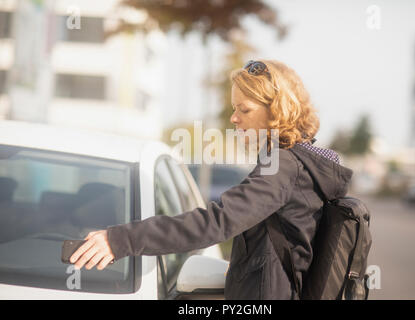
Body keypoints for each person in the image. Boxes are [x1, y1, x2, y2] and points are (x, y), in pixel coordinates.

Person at [70, 59, 352, 300]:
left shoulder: (282, 165)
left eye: (244, 110)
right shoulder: (291, 162)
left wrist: (120, 240)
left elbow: (217, 222)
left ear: (277, 110)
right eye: (234, 108)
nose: (234, 118)